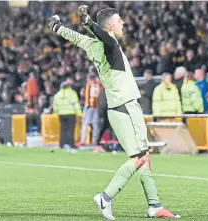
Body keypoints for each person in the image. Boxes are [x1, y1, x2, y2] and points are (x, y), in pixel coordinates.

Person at [47, 5, 180, 220]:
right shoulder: (110, 43)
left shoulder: (91, 44)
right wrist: (88, 22)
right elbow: (104, 38)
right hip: (125, 105)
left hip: (119, 106)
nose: (123, 23)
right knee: (139, 158)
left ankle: (154, 205)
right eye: (120, 21)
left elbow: (75, 38)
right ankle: (105, 197)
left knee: (143, 156)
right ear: (109, 26)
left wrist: (57, 27)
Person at [53, 79, 82, 153]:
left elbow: (55, 106)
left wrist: (57, 112)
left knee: (62, 130)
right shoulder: (72, 93)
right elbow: (75, 104)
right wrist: (79, 113)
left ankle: (61, 144)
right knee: (70, 130)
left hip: (61, 114)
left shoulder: (57, 95)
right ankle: (71, 144)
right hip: (70, 113)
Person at [78, 74, 101, 146]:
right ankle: (94, 141)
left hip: (89, 107)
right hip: (97, 107)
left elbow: (82, 94)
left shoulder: (89, 85)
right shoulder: (99, 85)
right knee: (95, 125)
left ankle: (83, 141)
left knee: (85, 124)